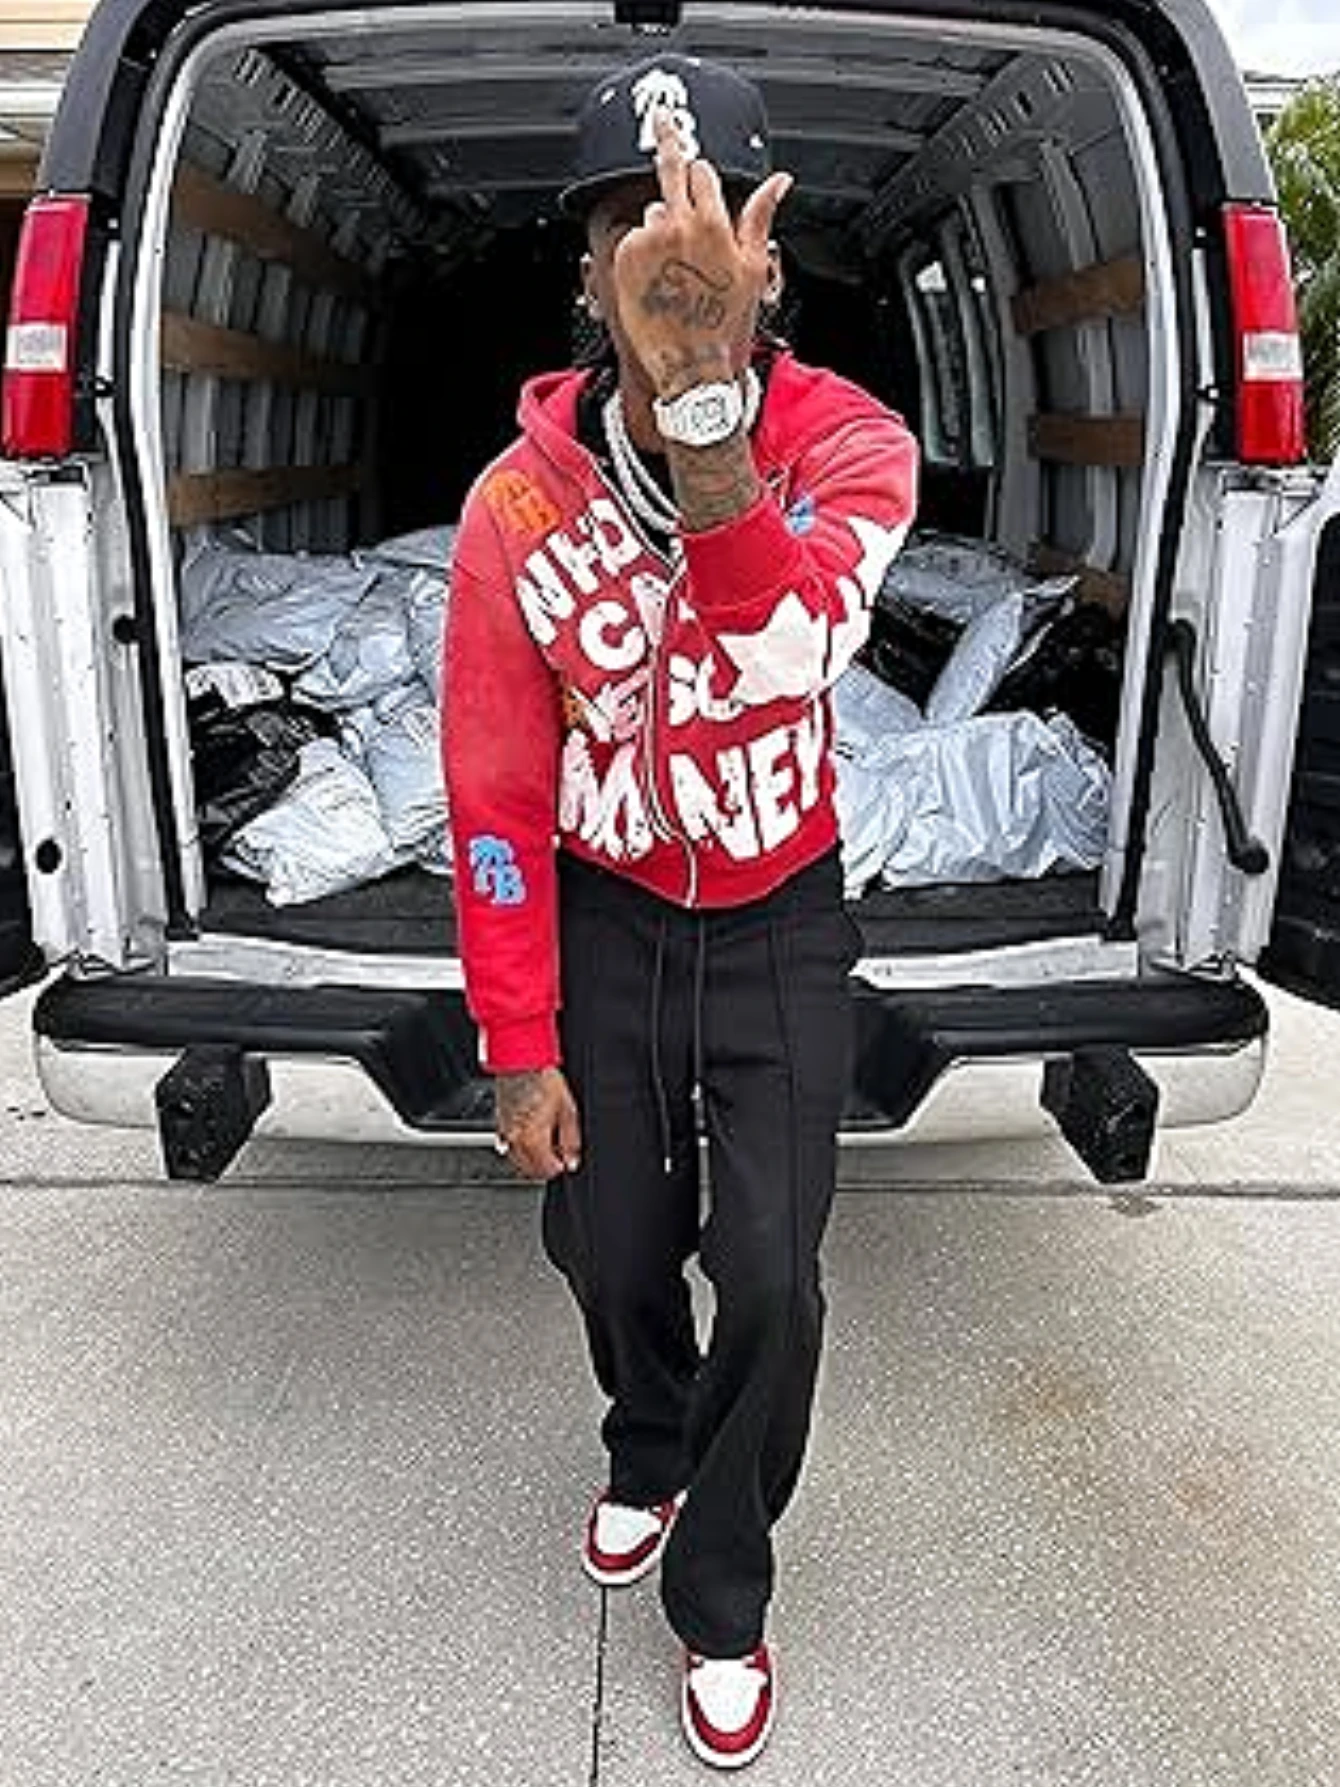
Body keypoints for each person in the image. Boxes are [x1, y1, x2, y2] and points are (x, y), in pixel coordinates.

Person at [443, 51, 918, 1770]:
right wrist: (516, 1037)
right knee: (611, 1238)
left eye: (706, 221)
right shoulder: (515, 505)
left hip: (782, 912)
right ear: (586, 273)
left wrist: (709, 403)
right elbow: (495, 799)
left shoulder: (850, 443)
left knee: (773, 1277)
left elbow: (789, 647)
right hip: (610, 914)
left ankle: (724, 1588)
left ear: (768, 260)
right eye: (628, 227)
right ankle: (645, 1438)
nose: (669, 253)